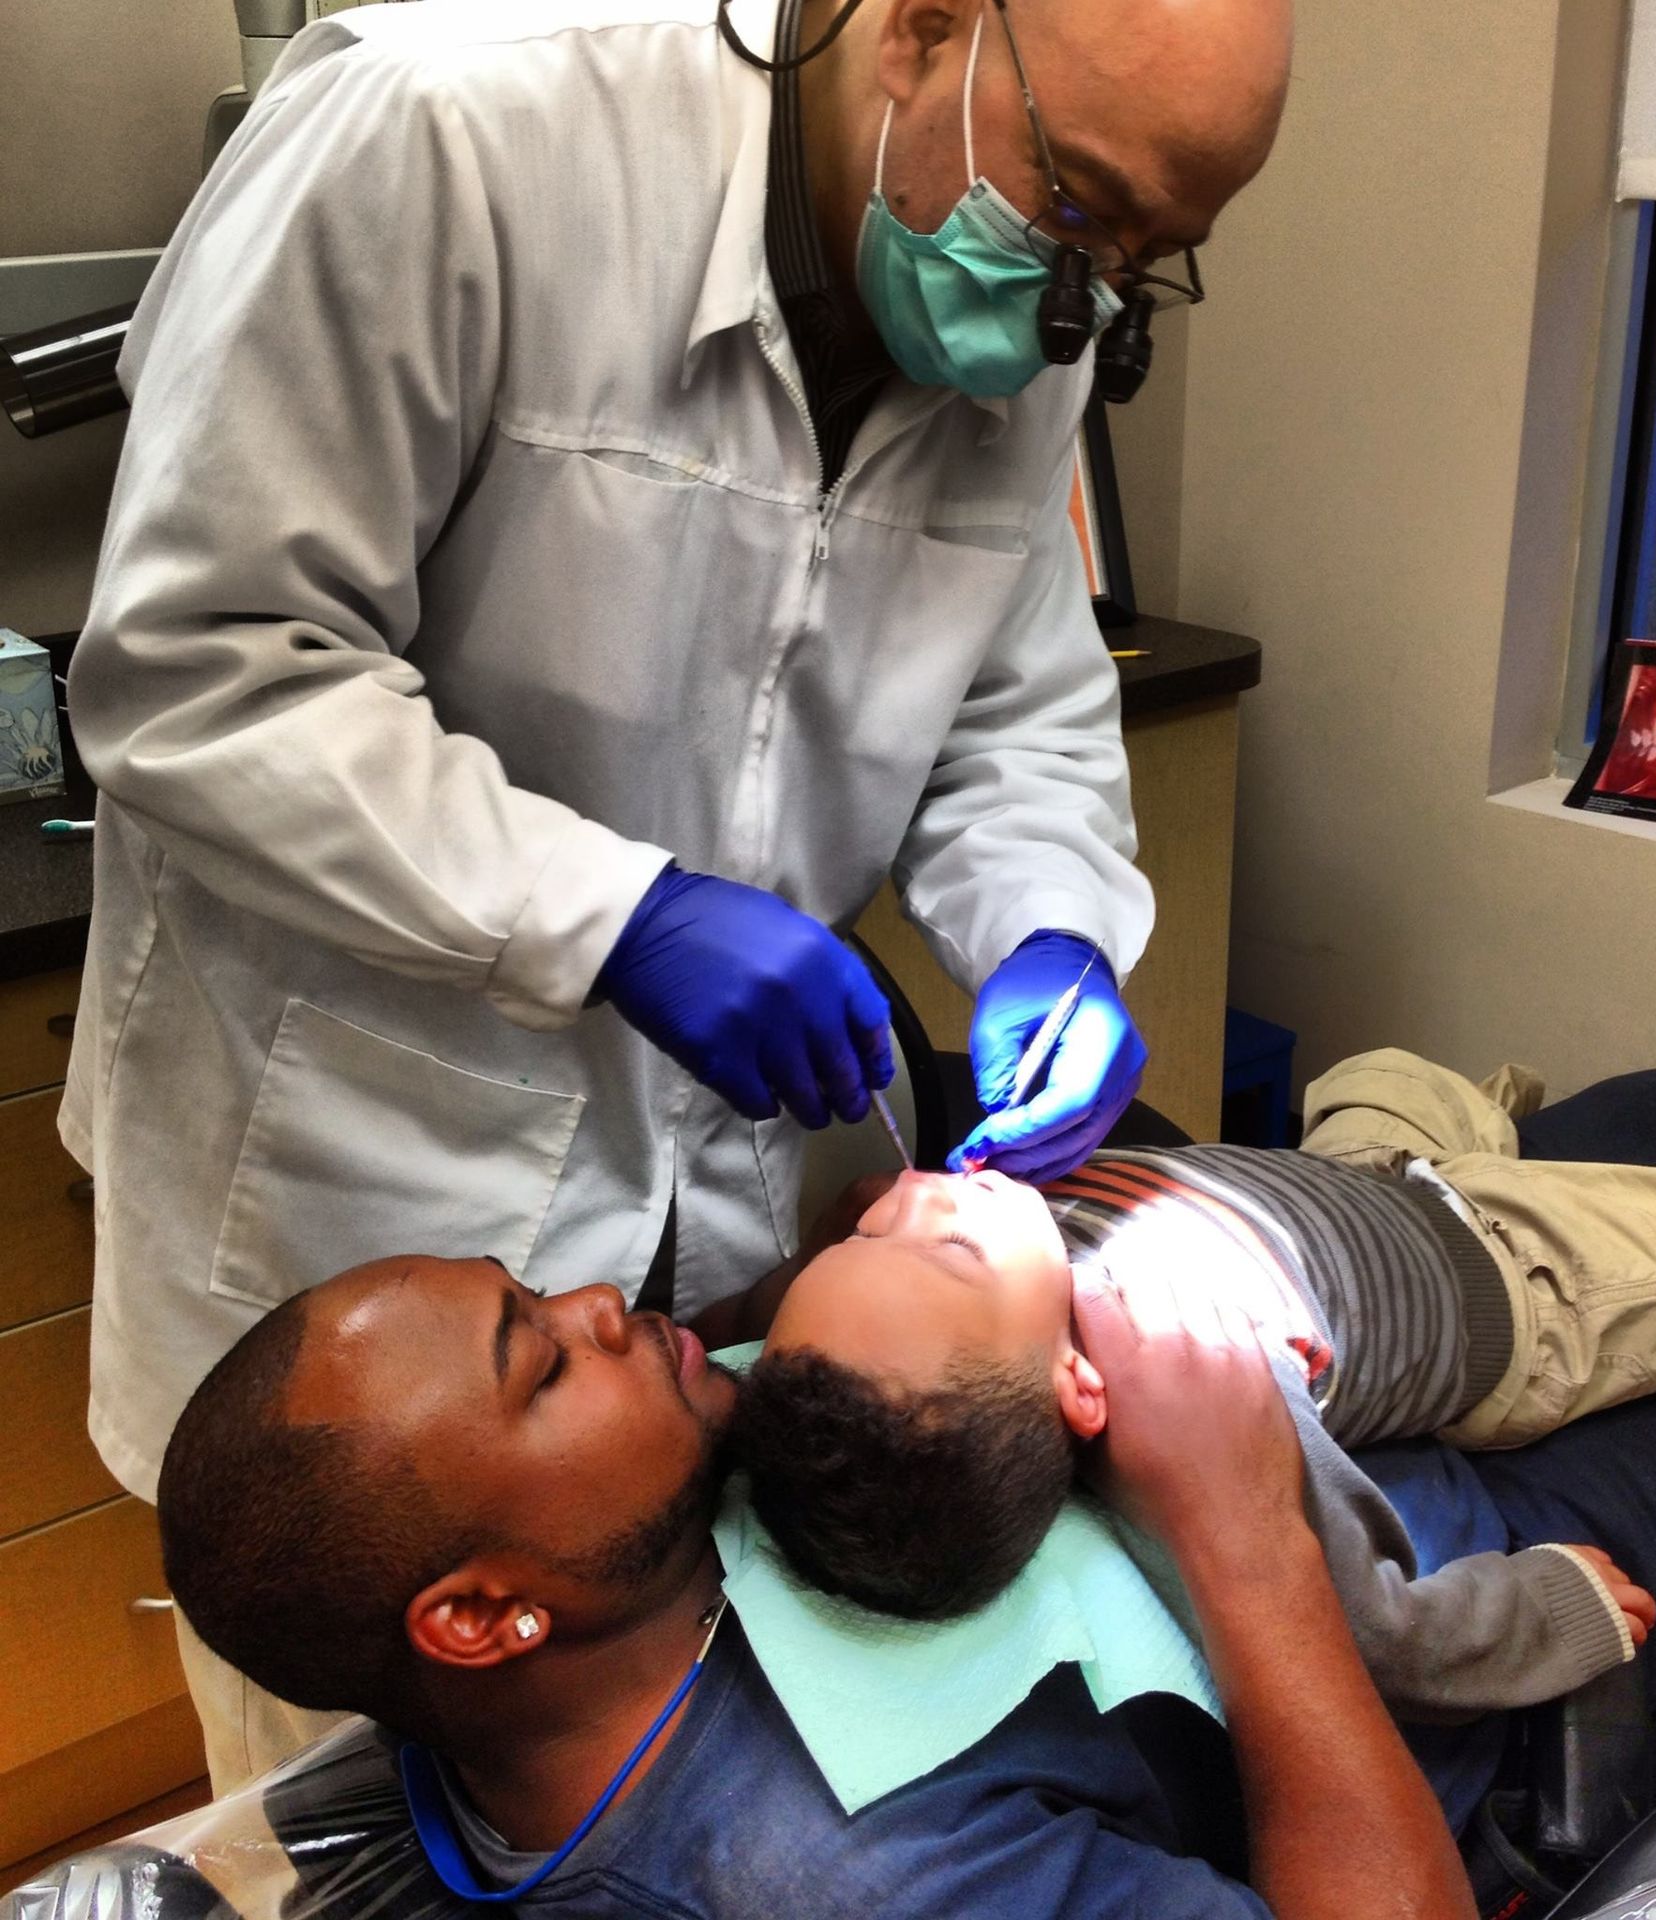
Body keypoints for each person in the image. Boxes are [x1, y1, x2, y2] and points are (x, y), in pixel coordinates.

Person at [60, 0, 1290, 1783]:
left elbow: (1014, 708)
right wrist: (614, 915)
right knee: (348, 1820)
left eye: (1149, 258)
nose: (1077, 300)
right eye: (1080, 205)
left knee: (679, 1805)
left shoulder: (1028, 301)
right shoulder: (451, 131)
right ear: (925, 26)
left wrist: (1049, 930)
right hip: (372, 1227)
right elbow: (204, 665)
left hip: (716, 1269)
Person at [154, 1254, 1478, 1919]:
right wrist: (1244, 1533)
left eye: (534, 1290)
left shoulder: (618, 1576)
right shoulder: (858, 1881)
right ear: (486, 1617)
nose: (601, 1301)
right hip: (1468, 1641)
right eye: (543, 1364)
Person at [731, 1047, 1656, 1711]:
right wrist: (1554, 1607)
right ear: (1074, 1383)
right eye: (940, 1243)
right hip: (1513, 1283)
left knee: (1379, 1068)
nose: (908, 1193)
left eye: (863, 1234)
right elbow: (1373, 1636)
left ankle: (1467, 1129)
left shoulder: (972, 1295)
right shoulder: (1188, 1379)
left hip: (1358, 1187)